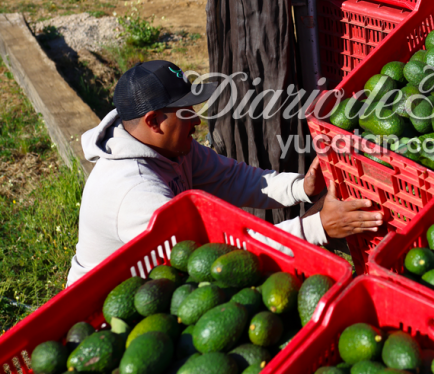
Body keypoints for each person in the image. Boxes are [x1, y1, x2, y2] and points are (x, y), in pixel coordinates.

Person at [66, 60, 382, 286]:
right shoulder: (134, 193)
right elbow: (215, 261)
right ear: (153, 122)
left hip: (163, 287)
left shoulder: (172, 149)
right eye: (188, 112)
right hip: (107, 315)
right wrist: (317, 227)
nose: (197, 122)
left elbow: (232, 178)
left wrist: (302, 188)